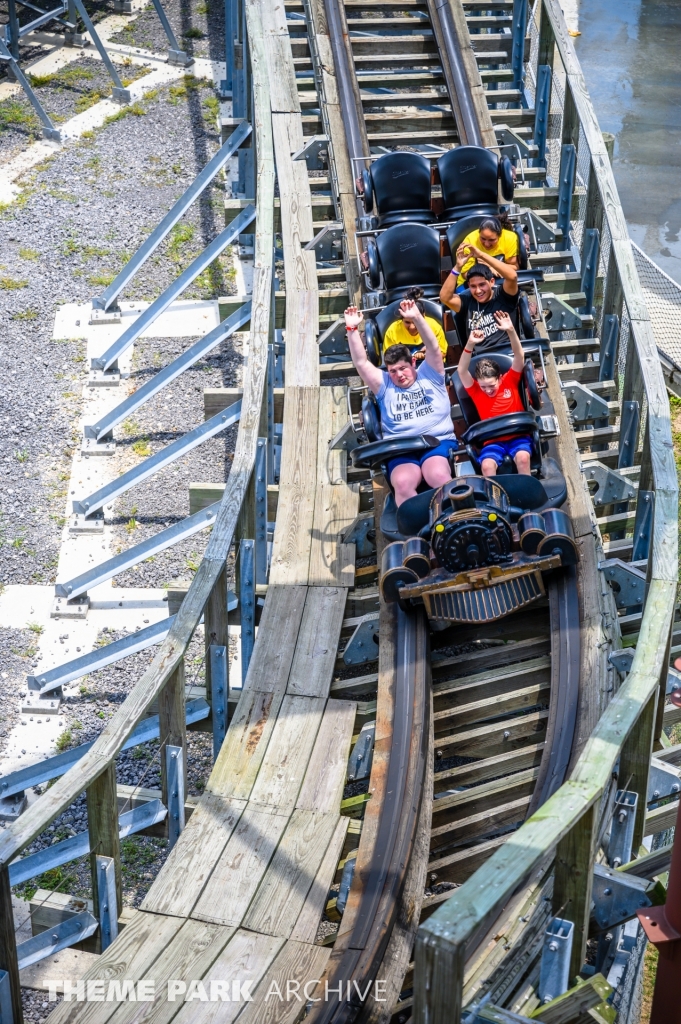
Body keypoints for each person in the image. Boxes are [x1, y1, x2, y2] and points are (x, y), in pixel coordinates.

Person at [345, 300, 456, 506]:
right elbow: (361, 363)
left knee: (437, 475)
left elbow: (432, 346)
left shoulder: (429, 373)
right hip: (401, 446)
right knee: (403, 482)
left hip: (436, 440)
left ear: (413, 362)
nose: (399, 375)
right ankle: (413, 530)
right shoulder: (385, 384)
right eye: (393, 371)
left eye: (403, 369)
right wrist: (352, 329)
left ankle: (452, 519)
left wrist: (416, 318)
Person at [457, 310, 532, 477]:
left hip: (517, 436)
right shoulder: (476, 390)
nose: (488, 390)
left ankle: (527, 494)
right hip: (493, 441)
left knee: (523, 459)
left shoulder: (509, 380)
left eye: (491, 385)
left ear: (499, 378)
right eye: (484, 387)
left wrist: (511, 331)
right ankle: (495, 500)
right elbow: (461, 371)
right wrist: (470, 344)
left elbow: (519, 356)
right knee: (487, 466)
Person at [440, 246, 520, 353]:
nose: (478, 291)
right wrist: (457, 267)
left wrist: (481, 255)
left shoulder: (502, 295)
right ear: (468, 286)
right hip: (480, 359)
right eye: (473, 286)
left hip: (507, 353)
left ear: (492, 282)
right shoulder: (467, 301)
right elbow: (445, 297)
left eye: (482, 285)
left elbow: (512, 277)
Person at [453, 214, 520, 289]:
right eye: (483, 239)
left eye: (492, 240)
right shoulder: (469, 242)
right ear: (479, 233)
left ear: (500, 236)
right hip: (470, 283)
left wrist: (493, 267)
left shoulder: (509, 238)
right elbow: (465, 274)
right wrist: (489, 270)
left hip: (500, 280)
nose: (487, 244)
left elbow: (514, 267)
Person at [382, 286, 448, 361]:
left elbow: (442, 353)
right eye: (407, 322)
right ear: (402, 318)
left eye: (416, 321)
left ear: (423, 316)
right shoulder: (392, 331)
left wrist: (426, 355)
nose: (412, 327)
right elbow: (389, 359)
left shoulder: (434, 326)